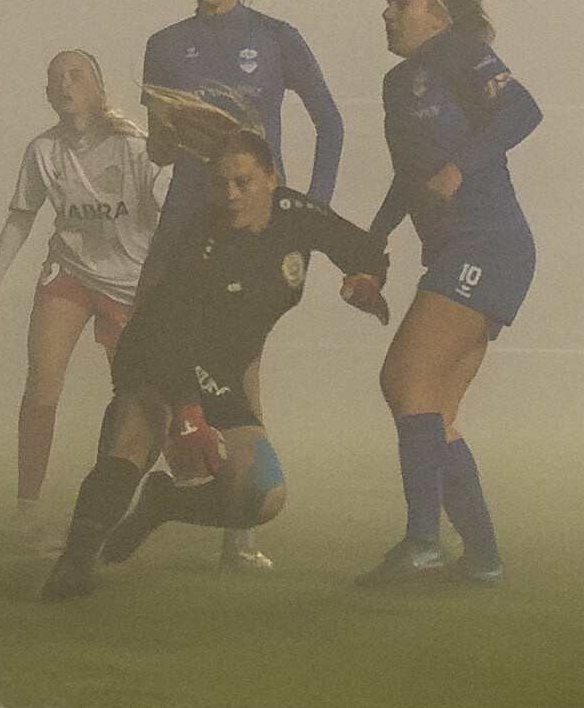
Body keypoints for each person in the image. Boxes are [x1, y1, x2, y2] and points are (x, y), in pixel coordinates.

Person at [40, 103, 389, 601]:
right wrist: (187, 411)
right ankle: (74, 566)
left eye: (243, 182)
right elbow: (174, 331)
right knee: (136, 443)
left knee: (264, 497)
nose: (231, 195)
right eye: (221, 184)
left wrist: (367, 278)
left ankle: (162, 504)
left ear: (272, 179)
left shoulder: (295, 215)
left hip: (220, 368)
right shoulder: (202, 243)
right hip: (159, 352)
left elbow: (362, 246)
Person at [139, 0, 346, 569]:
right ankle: (114, 504)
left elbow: (331, 124)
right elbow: (158, 150)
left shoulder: (277, 39)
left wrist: (308, 215)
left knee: (241, 373)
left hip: (246, 235)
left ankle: (240, 524)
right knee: (146, 366)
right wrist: (173, 133)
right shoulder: (163, 45)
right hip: (181, 227)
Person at [356, 0, 541, 588]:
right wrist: (373, 244)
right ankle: (483, 559)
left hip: (489, 243)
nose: (387, 11)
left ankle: (422, 542)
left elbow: (522, 110)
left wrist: (461, 168)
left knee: (402, 378)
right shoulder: (396, 83)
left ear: (438, 13)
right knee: (433, 413)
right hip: (464, 250)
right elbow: (411, 176)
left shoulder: (461, 50)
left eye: (400, 0)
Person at [0, 50, 167, 544]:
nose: (64, 84)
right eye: (55, 79)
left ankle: (130, 501)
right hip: (70, 273)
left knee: (141, 400)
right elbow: (21, 218)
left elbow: (169, 213)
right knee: (42, 385)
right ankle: (27, 508)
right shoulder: (43, 151)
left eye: (75, 75)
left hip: (130, 284)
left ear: (100, 87)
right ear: (47, 95)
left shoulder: (134, 146)